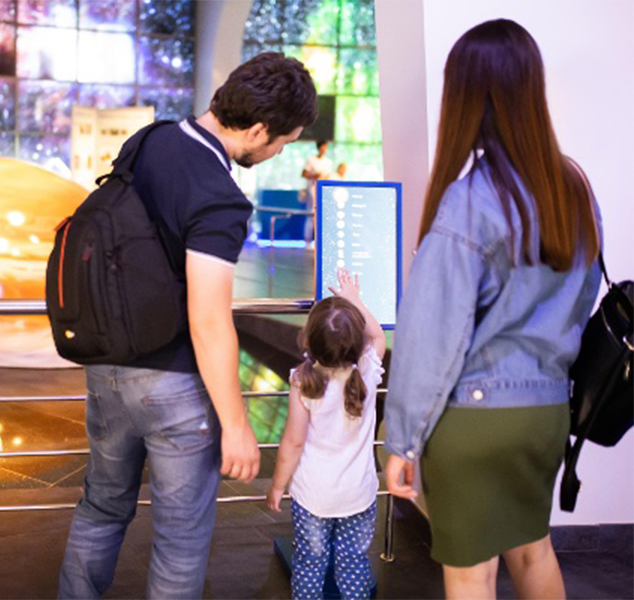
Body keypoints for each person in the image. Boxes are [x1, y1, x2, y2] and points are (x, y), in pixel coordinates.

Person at [59, 52, 318, 600]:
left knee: (101, 509)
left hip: (106, 368)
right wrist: (238, 424)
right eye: (281, 143)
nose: (277, 154)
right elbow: (208, 318)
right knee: (179, 543)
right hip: (171, 385)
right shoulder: (219, 198)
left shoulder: (150, 140)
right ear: (256, 130)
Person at [383, 19, 601, 600]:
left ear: (466, 97)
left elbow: (430, 340)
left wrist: (400, 441)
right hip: (546, 415)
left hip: (475, 420)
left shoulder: (470, 200)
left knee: (472, 573)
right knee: (533, 553)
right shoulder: (574, 190)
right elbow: (582, 307)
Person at [267, 268, 386, 600]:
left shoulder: (302, 382)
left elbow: (293, 442)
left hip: (313, 499)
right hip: (358, 496)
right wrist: (355, 300)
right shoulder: (366, 373)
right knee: (353, 564)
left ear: (308, 340)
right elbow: (377, 337)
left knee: (310, 564)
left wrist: (277, 485)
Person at [301, 140, 333, 245]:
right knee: (311, 214)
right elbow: (304, 174)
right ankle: (307, 240)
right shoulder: (311, 160)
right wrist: (314, 176)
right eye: (322, 147)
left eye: (325, 147)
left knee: (321, 215)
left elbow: (328, 176)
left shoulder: (328, 162)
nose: (324, 150)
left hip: (322, 190)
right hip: (312, 190)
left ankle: (319, 241)